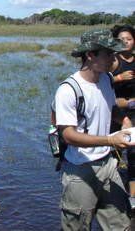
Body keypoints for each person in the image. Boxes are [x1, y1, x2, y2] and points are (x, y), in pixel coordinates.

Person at [55, 28, 132, 230]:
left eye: (114, 53)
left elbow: (110, 107)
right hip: (80, 169)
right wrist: (109, 140)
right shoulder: (68, 90)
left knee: (121, 223)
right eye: (108, 53)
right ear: (90, 55)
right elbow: (68, 135)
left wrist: (123, 119)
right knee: (77, 225)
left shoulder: (106, 79)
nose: (113, 59)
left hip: (108, 164)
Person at [111, 24, 135, 209]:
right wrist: (119, 79)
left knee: (134, 155)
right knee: (113, 154)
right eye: (121, 40)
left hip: (133, 114)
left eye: (129, 38)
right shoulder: (112, 61)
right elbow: (100, 88)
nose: (126, 42)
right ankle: (111, 193)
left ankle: (132, 198)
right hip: (114, 114)